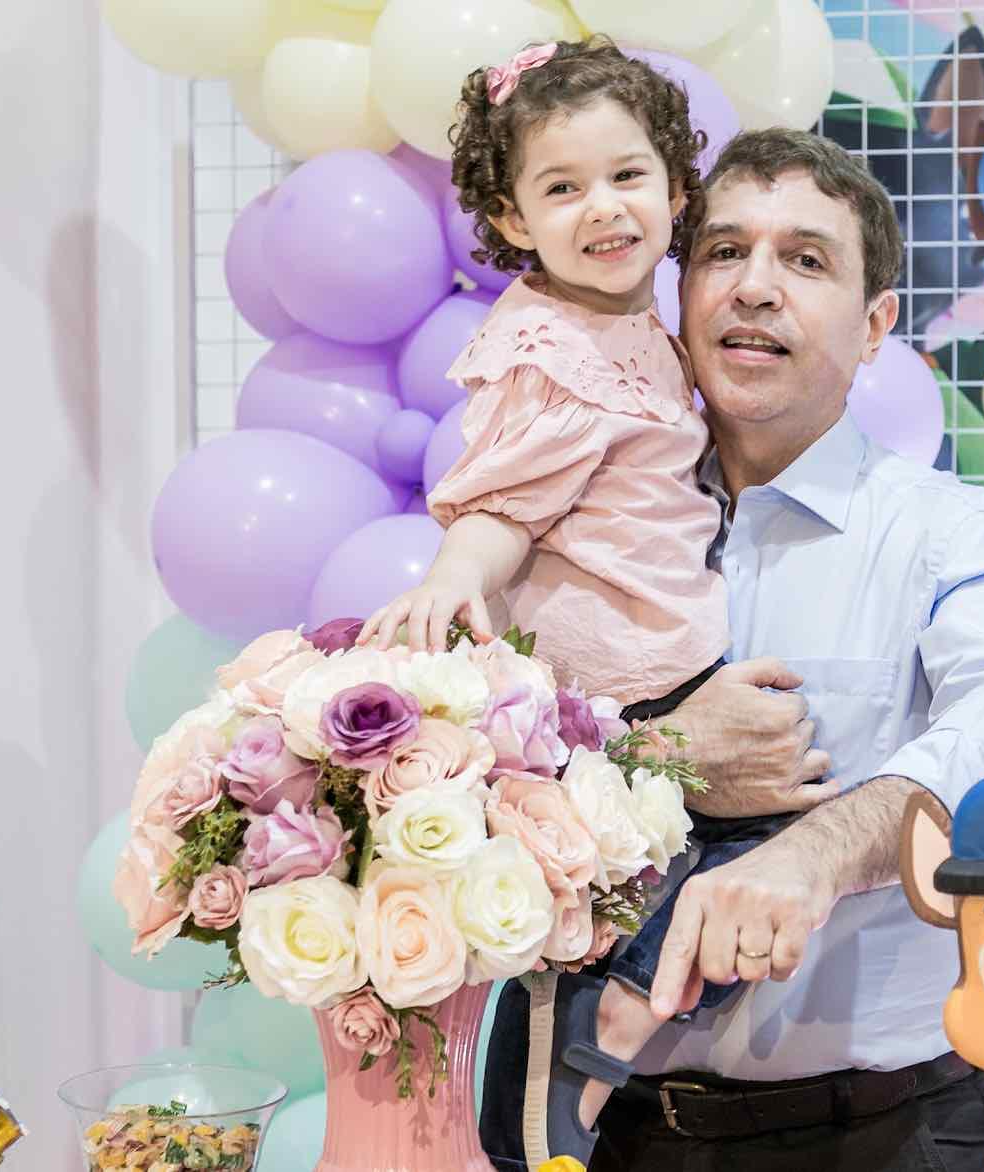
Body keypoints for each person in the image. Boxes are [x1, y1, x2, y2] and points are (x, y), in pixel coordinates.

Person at [525, 127, 984, 1172]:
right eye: (723, 252)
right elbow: (481, 769)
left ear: (875, 326)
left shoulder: (957, 534)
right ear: (677, 296)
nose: (754, 287)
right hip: (614, 1135)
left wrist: (816, 852)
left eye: (806, 259)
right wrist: (657, 756)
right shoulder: (567, 533)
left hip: (890, 1133)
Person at [355, 40, 837, 1169]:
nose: (604, 208)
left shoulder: (632, 326)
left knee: (731, 869)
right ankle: (568, 1053)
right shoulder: (551, 352)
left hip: (664, 656)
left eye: (627, 176)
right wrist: (456, 573)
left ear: (674, 186)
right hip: (620, 684)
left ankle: (597, 1027)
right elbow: (502, 505)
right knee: (631, 891)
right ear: (512, 219)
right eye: (562, 188)